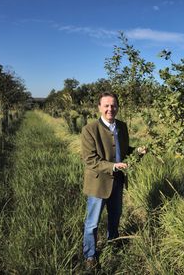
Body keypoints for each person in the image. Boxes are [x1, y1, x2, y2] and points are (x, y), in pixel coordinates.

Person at [81, 92, 140, 270]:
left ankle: (112, 243)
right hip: (99, 183)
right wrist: (114, 166)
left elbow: (124, 150)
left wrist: (137, 151)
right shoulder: (90, 130)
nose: (110, 109)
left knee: (115, 216)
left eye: (113, 105)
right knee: (92, 222)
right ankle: (90, 255)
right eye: (106, 105)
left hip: (118, 182)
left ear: (118, 107)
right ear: (99, 107)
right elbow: (90, 160)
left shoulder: (122, 126)